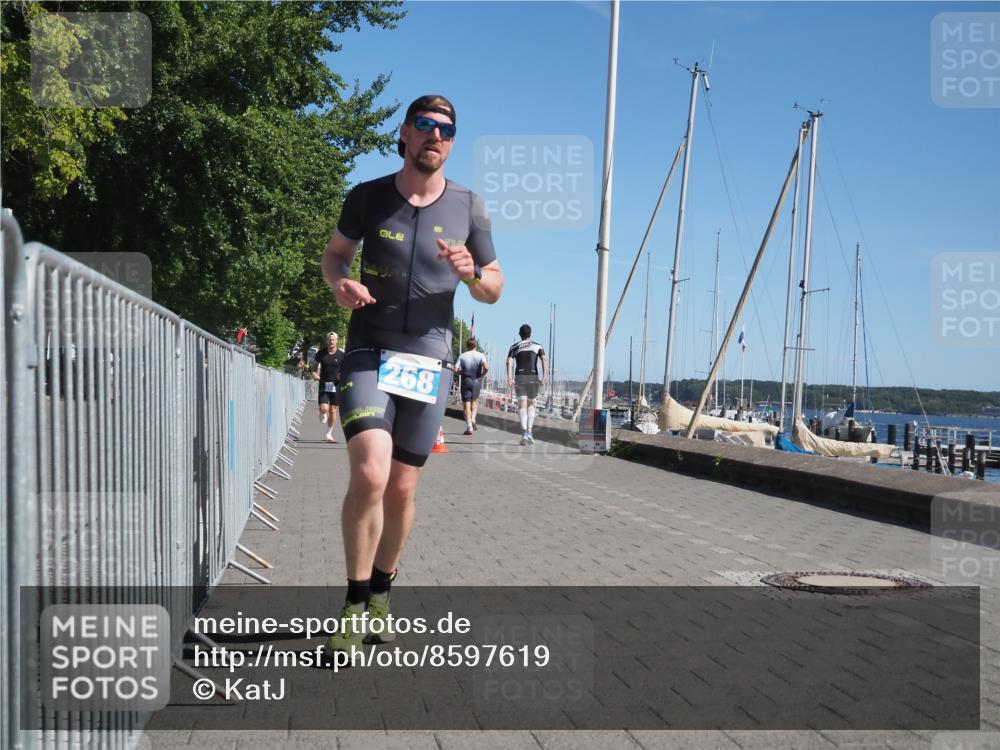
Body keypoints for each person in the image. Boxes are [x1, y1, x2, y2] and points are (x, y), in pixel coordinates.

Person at [321, 94, 503, 653]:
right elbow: (335, 254)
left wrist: (473, 275)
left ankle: (382, 588)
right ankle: (354, 603)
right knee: (370, 472)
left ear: (452, 142)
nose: (435, 135)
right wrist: (339, 282)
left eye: (446, 129)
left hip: (429, 361)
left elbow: (494, 287)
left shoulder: (470, 207)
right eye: (425, 125)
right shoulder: (368, 196)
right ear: (404, 132)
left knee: (401, 490)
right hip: (368, 352)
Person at [507, 324, 547, 446]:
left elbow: (509, 361)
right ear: (530, 334)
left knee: (522, 405)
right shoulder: (538, 346)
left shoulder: (514, 347)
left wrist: (509, 377)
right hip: (533, 376)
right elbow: (544, 359)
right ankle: (529, 432)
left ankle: (524, 433)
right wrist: (544, 377)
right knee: (531, 404)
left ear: (520, 334)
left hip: (519, 377)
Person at [313, 332, 345, 442]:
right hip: (324, 384)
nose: (331, 341)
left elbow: (345, 368)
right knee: (324, 408)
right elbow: (315, 365)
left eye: (333, 339)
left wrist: (342, 375)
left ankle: (329, 433)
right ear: (327, 341)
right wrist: (314, 373)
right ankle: (322, 412)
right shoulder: (321, 353)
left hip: (336, 385)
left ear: (337, 341)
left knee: (333, 410)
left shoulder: (341, 355)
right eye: (330, 339)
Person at [455, 337, 488, 435]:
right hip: (476, 381)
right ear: (476, 345)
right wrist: (481, 375)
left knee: (466, 405)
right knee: (475, 402)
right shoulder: (481, 355)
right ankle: (473, 419)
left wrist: (461, 372)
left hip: (466, 381)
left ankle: (469, 427)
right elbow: (486, 367)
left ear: (467, 346)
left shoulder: (462, 356)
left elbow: (455, 369)